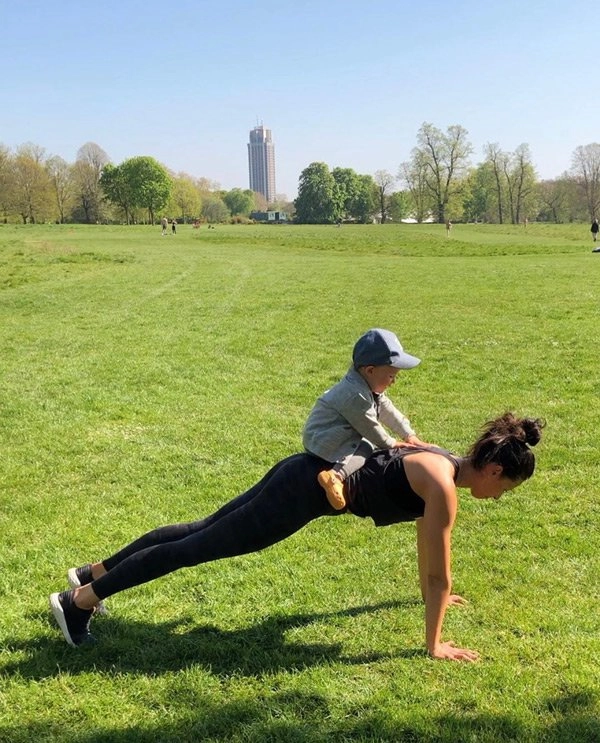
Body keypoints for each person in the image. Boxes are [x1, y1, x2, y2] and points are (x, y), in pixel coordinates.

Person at [49, 413, 544, 661]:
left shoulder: (440, 459)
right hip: (300, 494)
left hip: (303, 471)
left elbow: (430, 568)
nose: (501, 496)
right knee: (196, 547)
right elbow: (437, 574)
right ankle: (80, 601)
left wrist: (437, 596)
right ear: (494, 469)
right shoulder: (443, 489)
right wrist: (434, 644)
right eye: (506, 487)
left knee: (199, 532)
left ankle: (90, 574)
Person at [303, 328, 431, 510]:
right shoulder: (355, 395)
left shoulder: (368, 386)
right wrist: (391, 443)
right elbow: (370, 426)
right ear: (370, 370)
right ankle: (335, 477)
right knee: (367, 445)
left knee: (369, 441)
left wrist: (409, 435)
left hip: (336, 431)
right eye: (391, 376)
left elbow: (388, 410)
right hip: (324, 438)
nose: (393, 381)